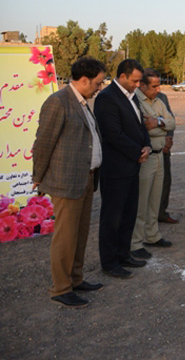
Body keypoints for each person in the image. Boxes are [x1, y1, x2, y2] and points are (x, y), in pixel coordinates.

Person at [33, 56, 106, 307]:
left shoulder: (84, 102)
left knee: (80, 234)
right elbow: (43, 142)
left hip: (86, 179)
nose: (100, 87)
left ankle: (75, 278)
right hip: (66, 182)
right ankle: (61, 288)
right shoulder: (58, 102)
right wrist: (38, 177)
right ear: (83, 80)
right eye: (97, 82)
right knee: (65, 237)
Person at [94, 59, 152, 279]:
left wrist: (146, 144)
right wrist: (138, 151)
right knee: (112, 217)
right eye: (135, 80)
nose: (138, 85)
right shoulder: (106, 98)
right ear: (123, 76)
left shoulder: (131, 96)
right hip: (116, 169)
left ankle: (123, 253)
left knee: (128, 214)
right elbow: (113, 134)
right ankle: (109, 262)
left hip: (132, 167)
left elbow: (140, 125)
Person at [129, 69, 176, 259]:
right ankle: (135, 242)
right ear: (142, 85)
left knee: (155, 199)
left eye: (159, 85)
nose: (159, 89)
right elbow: (142, 128)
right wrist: (161, 125)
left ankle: (152, 235)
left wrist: (157, 122)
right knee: (141, 201)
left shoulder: (158, 100)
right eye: (154, 86)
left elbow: (171, 123)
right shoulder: (135, 101)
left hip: (159, 156)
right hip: (145, 158)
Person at [156, 90, 178, 224]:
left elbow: (170, 119)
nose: (157, 88)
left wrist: (169, 137)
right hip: (149, 148)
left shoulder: (161, 97)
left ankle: (161, 213)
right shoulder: (136, 98)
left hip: (164, 147)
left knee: (165, 181)